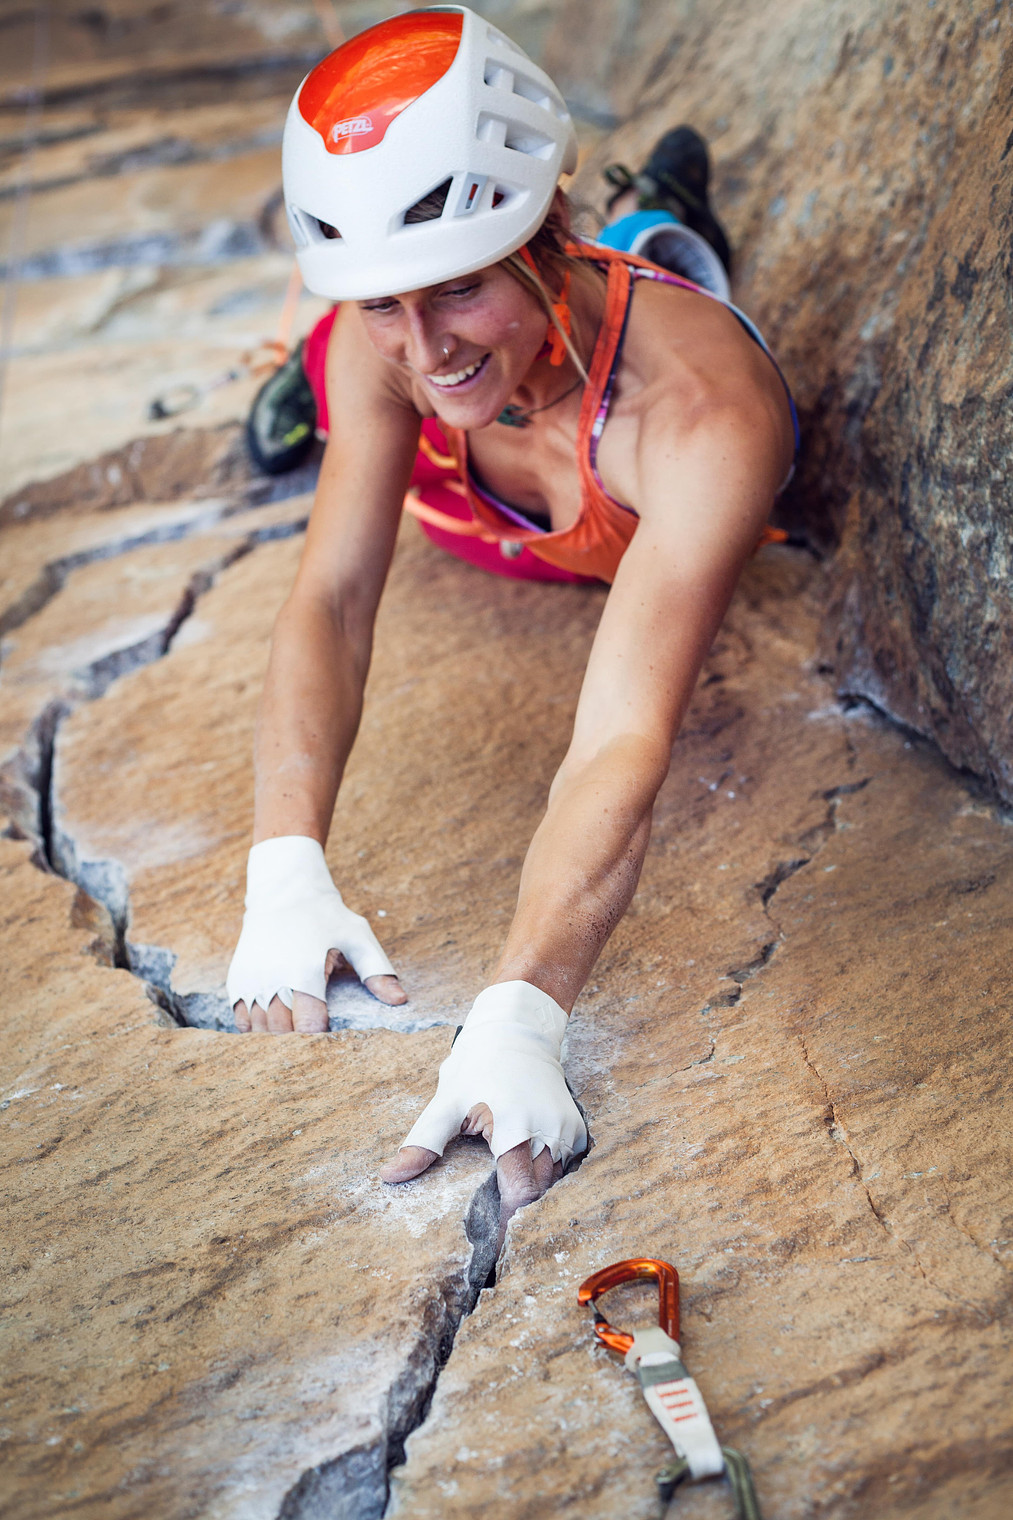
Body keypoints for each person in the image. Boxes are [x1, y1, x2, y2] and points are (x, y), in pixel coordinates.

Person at [228, 5, 798, 1241]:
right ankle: (298, 372)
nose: (422, 345)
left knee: (641, 272)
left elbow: (619, 737)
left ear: (546, 232)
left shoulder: (701, 419)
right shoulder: (395, 347)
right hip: (466, 502)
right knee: (331, 388)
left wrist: (521, 1011)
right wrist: (283, 866)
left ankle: (658, 222)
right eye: (382, 302)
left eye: (458, 287)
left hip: (590, 490)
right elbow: (331, 596)